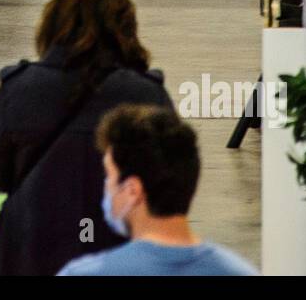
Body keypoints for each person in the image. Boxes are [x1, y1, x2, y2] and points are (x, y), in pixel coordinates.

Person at [0, 0, 172, 276]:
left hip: (30, 252)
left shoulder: (20, 87)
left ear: (54, 24)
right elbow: (170, 186)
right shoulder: (148, 95)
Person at [58, 105, 258, 276]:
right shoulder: (241, 271)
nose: (106, 187)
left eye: (109, 176)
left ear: (132, 191)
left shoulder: (82, 273)